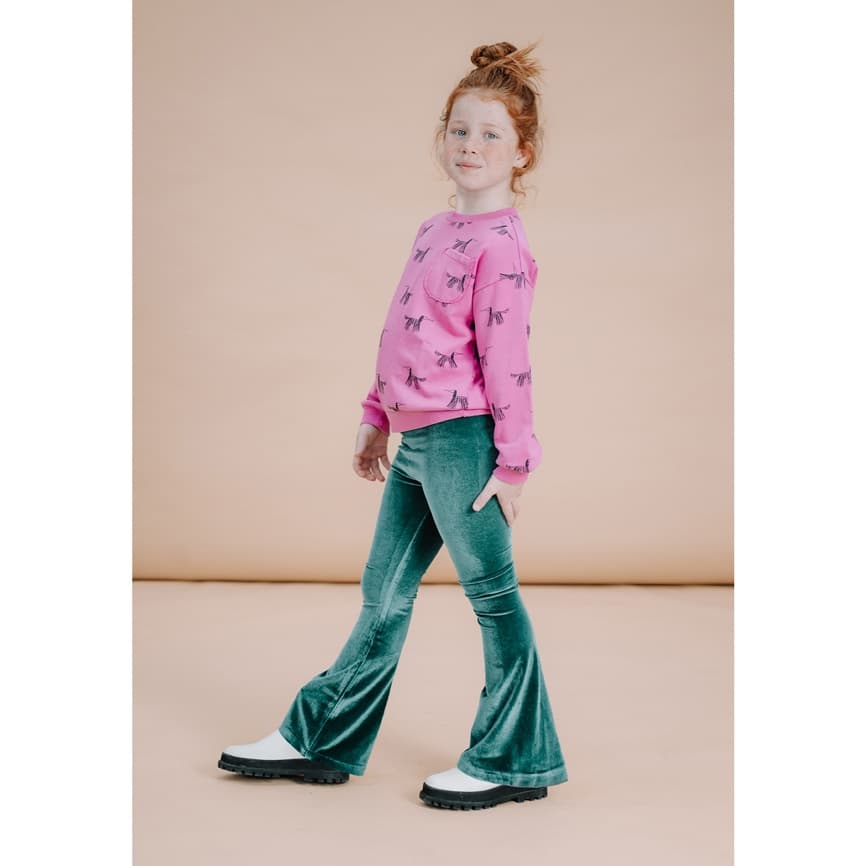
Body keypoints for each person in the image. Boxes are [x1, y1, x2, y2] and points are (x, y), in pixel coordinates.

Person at [218, 40, 568, 811]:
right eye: (459, 130)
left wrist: (513, 463)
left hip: (465, 442)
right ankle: (323, 738)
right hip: (416, 441)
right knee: (383, 593)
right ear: (443, 139)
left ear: (521, 154)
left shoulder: (503, 248)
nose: (470, 146)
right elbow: (403, 332)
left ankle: (514, 759)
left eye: (490, 135)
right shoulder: (434, 229)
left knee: (493, 597)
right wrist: (376, 415)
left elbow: (508, 361)